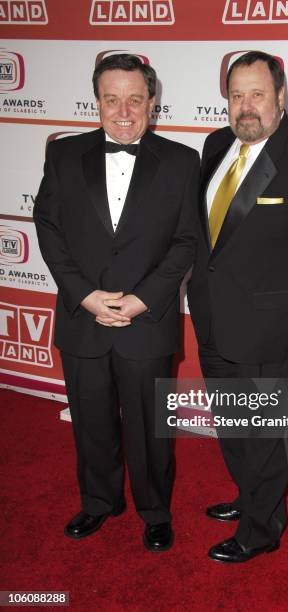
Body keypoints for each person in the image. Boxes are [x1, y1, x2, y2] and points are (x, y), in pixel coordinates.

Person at [188, 51, 288, 563]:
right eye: (236, 95)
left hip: (277, 328)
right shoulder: (216, 145)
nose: (245, 106)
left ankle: (262, 529)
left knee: (268, 431)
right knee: (234, 422)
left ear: (281, 96)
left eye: (257, 93)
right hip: (215, 320)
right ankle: (249, 496)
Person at [34, 54, 199, 552]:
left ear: (152, 102)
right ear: (97, 102)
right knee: (90, 419)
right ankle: (99, 501)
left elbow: (187, 240)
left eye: (134, 99)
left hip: (145, 320)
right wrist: (83, 295)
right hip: (81, 317)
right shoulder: (64, 156)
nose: (123, 111)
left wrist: (142, 300)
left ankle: (155, 510)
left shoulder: (180, 160)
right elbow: (49, 228)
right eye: (111, 99)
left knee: (150, 426)